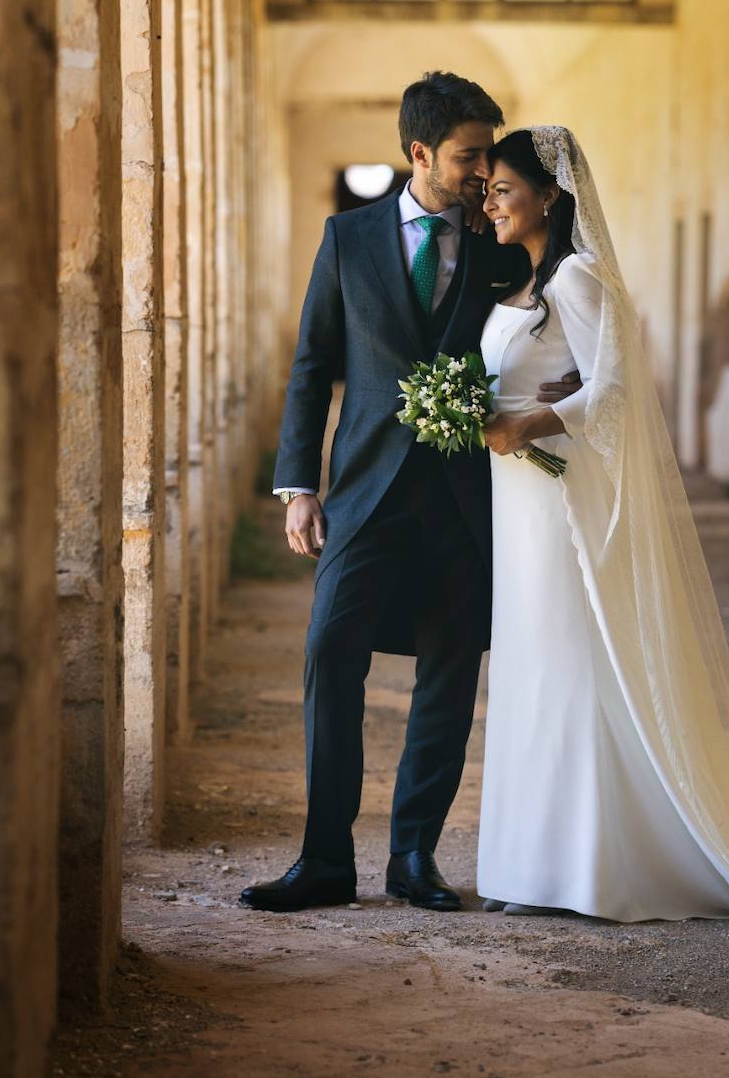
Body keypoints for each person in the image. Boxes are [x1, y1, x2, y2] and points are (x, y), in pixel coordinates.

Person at [476, 125, 729, 935]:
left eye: (501, 189)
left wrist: (530, 425)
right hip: (518, 507)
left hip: (561, 506)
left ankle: (596, 865)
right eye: (486, 189)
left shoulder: (579, 277)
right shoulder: (527, 282)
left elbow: (620, 393)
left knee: (575, 660)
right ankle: (533, 859)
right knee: (535, 662)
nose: (488, 203)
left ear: (548, 196)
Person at [239, 74, 576, 913]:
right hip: (362, 494)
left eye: (487, 160)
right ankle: (322, 862)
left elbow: (552, 310)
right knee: (329, 655)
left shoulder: (501, 240)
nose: (479, 175)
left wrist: (561, 389)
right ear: (419, 153)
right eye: (467, 157)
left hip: (468, 497)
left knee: (450, 675)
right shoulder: (346, 237)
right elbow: (314, 364)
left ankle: (413, 857)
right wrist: (298, 488)